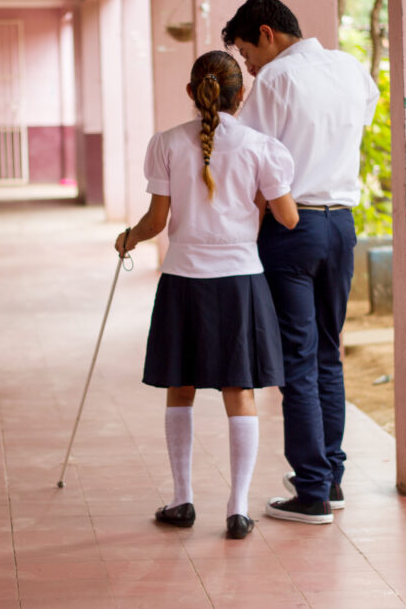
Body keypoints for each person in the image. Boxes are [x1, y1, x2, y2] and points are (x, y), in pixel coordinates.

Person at [114, 50, 299, 540]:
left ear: (192, 93)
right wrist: (256, 203)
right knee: (240, 391)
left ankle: (182, 500)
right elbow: (289, 218)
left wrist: (128, 238)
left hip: (183, 279)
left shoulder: (167, 143)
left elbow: (156, 221)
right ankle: (237, 510)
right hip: (241, 280)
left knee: (181, 387)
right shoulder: (261, 147)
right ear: (242, 94)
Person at [222, 0, 380, 525]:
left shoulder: (276, 79)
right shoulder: (350, 68)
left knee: (297, 358)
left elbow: (249, 156)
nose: (248, 66)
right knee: (327, 353)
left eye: (247, 53)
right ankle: (330, 478)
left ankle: (310, 491)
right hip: (341, 226)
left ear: (267, 34)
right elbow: (358, 123)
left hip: (293, 228)